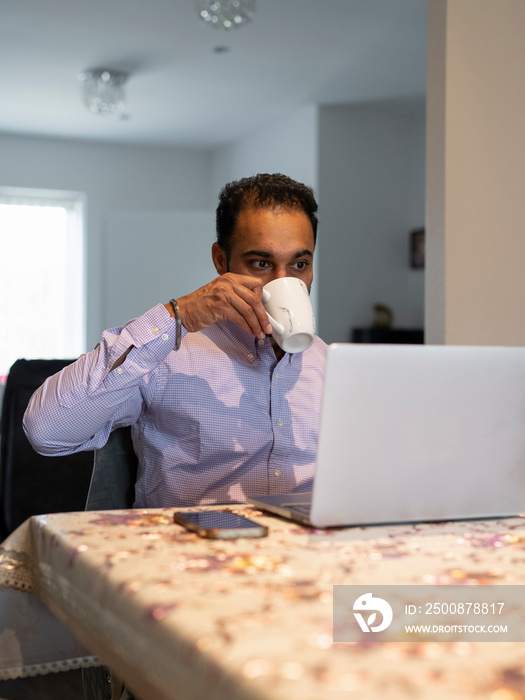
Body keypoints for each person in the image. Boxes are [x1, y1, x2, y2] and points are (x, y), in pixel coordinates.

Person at [23, 173, 328, 508]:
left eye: (299, 264)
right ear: (221, 261)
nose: (282, 282)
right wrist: (174, 316)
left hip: (309, 553)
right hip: (191, 552)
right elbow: (46, 432)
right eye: (261, 263)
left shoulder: (332, 365)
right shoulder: (166, 352)